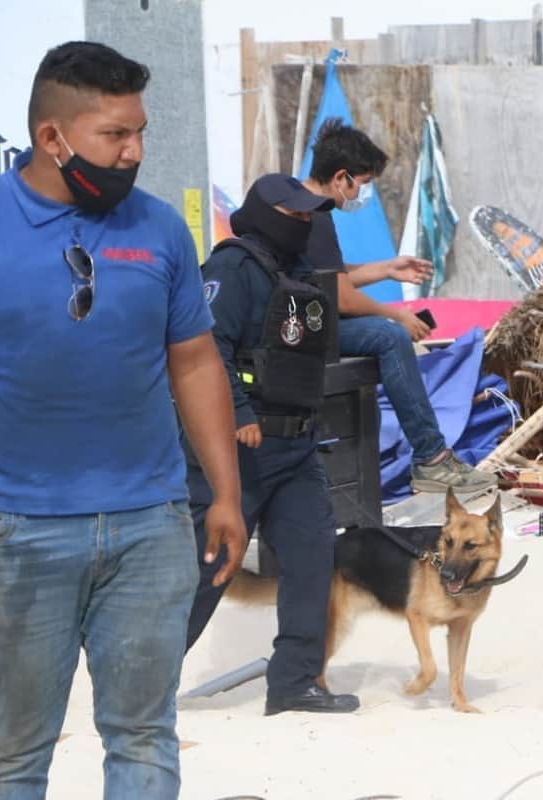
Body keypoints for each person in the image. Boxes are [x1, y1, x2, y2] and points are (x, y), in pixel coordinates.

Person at [0, 41, 246, 799]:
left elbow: (195, 362)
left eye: (140, 132)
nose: (135, 152)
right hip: (15, 527)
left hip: (151, 523)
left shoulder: (160, 229)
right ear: (52, 137)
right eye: (115, 135)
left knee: (144, 737)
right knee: (15, 748)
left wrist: (225, 493)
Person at [184, 172, 359, 716]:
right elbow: (206, 349)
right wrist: (238, 413)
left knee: (312, 556)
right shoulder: (231, 269)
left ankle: (294, 683)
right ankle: (140, 688)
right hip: (236, 449)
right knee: (209, 568)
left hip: (296, 446)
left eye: (309, 215)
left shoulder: (298, 271)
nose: (304, 223)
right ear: (264, 214)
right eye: (295, 214)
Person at [301, 119, 497, 494]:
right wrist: (396, 315)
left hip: (304, 319)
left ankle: (430, 455)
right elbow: (342, 297)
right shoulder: (316, 217)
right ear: (341, 178)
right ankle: (432, 457)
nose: (363, 194)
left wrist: (388, 268)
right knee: (391, 337)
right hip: (307, 329)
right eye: (363, 184)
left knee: (388, 332)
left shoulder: (302, 204)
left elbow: (331, 276)